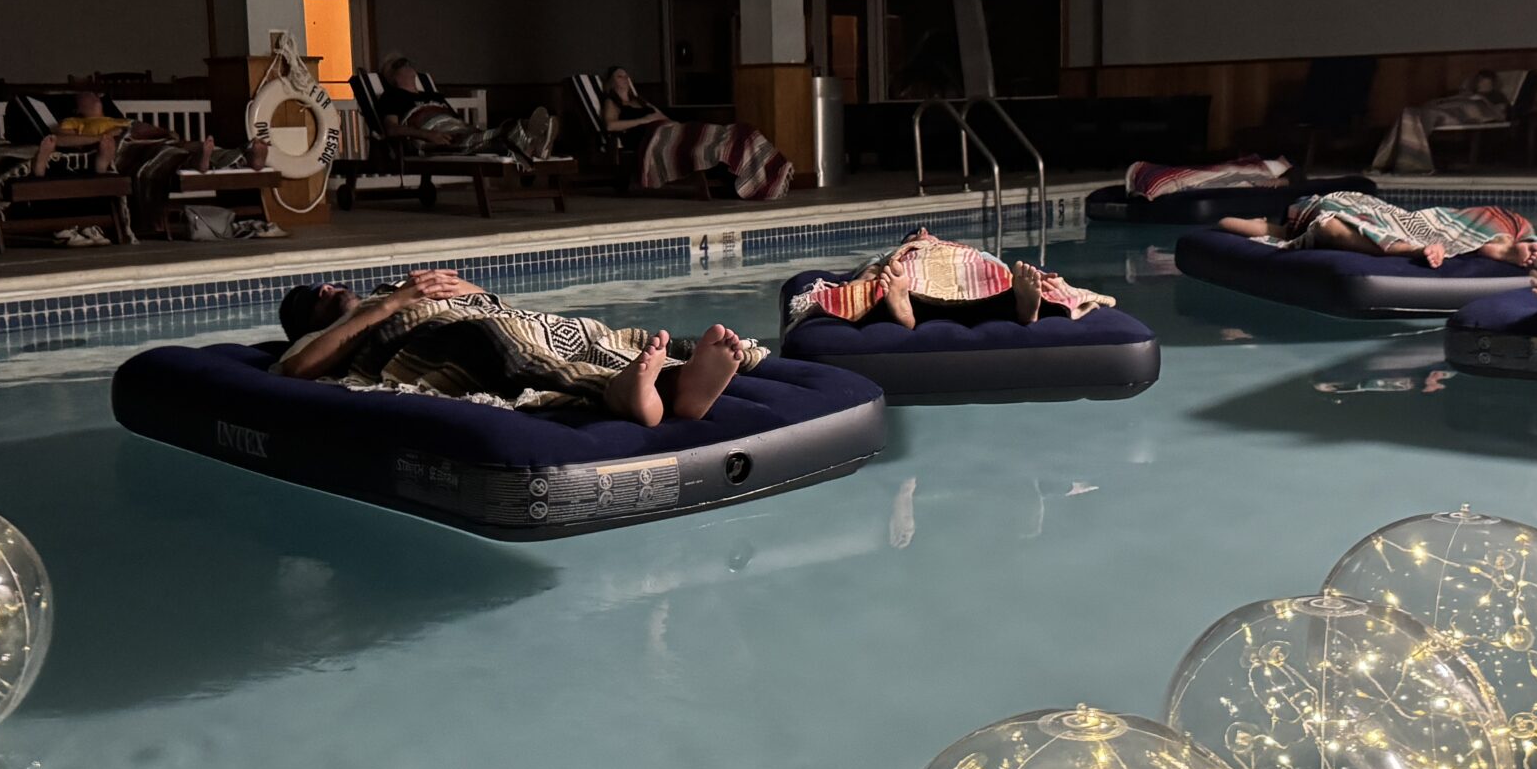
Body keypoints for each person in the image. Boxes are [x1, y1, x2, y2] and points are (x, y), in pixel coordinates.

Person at [274, 271, 760, 426]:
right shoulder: (340, 329)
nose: (324, 290)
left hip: (492, 316)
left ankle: (675, 372)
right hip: (433, 338)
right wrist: (393, 304)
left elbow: (494, 305)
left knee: (576, 330)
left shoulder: (395, 285)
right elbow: (296, 372)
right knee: (494, 346)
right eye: (311, 300)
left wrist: (468, 291)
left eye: (325, 284)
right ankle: (638, 390)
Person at [788, 229, 1114, 330]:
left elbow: (871, 270)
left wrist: (864, 279)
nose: (924, 234)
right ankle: (1022, 309)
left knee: (880, 275)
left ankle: (904, 310)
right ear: (915, 237)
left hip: (940, 268)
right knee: (992, 271)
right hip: (934, 265)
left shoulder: (899, 253)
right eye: (919, 234)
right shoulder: (907, 248)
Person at [599, 66, 794, 201]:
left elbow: (663, 117)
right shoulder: (613, 103)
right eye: (619, 76)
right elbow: (610, 126)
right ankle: (748, 176)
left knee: (733, 132)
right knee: (709, 141)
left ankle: (764, 168)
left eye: (626, 76)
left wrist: (672, 125)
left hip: (670, 129)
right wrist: (644, 121)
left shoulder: (640, 101)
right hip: (650, 137)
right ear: (611, 82)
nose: (624, 79)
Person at [1216, 189, 1537, 268]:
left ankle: (1416, 247)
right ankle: (1492, 240)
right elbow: (1229, 224)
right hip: (1356, 207)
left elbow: (1226, 223)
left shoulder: (1286, 226)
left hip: (1354, 207)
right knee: (1331, 227)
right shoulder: (1293, 224)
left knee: (1332, 228)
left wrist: (1273, 229)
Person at [374, 57, 555, 161]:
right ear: (392, 77)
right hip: (432, 135)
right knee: (477, 139)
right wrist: (427, 135)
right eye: (399, 64)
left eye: (407, 61)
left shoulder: (434, 96)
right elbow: (392, 129)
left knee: (476, 136)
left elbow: (455, 121)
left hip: (455, 129)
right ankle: (529, 138)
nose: (406, 63)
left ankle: (529, 140)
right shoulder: (392, 97)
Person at [1370, 70, 1510, 174]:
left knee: (1424, 115)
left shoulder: (1496, 96)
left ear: (1493, 83)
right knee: (1408, 113)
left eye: (1486, 81)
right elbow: (1449, 102)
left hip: (1464, 113)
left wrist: (1480, 99)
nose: (1483, 84)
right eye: (1481, 81)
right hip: (1449, 108)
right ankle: (1394, 161)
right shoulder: (1465, 94)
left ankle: (1404, 162)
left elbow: (1499, 114)